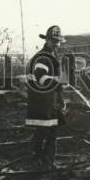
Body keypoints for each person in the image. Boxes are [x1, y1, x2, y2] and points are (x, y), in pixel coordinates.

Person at [26, 25, 68, 168]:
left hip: (51, 99)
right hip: (42, 100)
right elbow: (40, 77)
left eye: (58, 41)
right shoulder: (43, 57)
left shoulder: (52, 56)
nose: (56, 44)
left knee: (51, 131)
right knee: (44, 130)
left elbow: (56, 79)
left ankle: (48, 161)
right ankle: (36, 155)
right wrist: (56, 83)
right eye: (53, 41)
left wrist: (61, 97)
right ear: (48, 41)